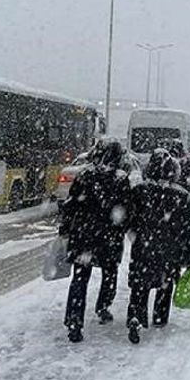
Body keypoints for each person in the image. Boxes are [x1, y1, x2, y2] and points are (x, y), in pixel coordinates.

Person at [126, 149, 190, 344]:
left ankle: (136, 316)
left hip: (143, 246)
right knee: (164, 283)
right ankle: (159, 317)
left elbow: (129, 218)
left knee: (139, 285)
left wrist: (134, 232)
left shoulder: (140, 191)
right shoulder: (182, 195)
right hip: (170, 249)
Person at [59, 140, 131, 343]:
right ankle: (103, 306)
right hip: (109, 237)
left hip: (83, 235)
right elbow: (125, 209)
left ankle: (74, 319)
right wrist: (121, 226)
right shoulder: (120, 179)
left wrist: (65, 228)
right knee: (110, 272)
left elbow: (71, 204)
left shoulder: (84, 175)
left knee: (80, 278)